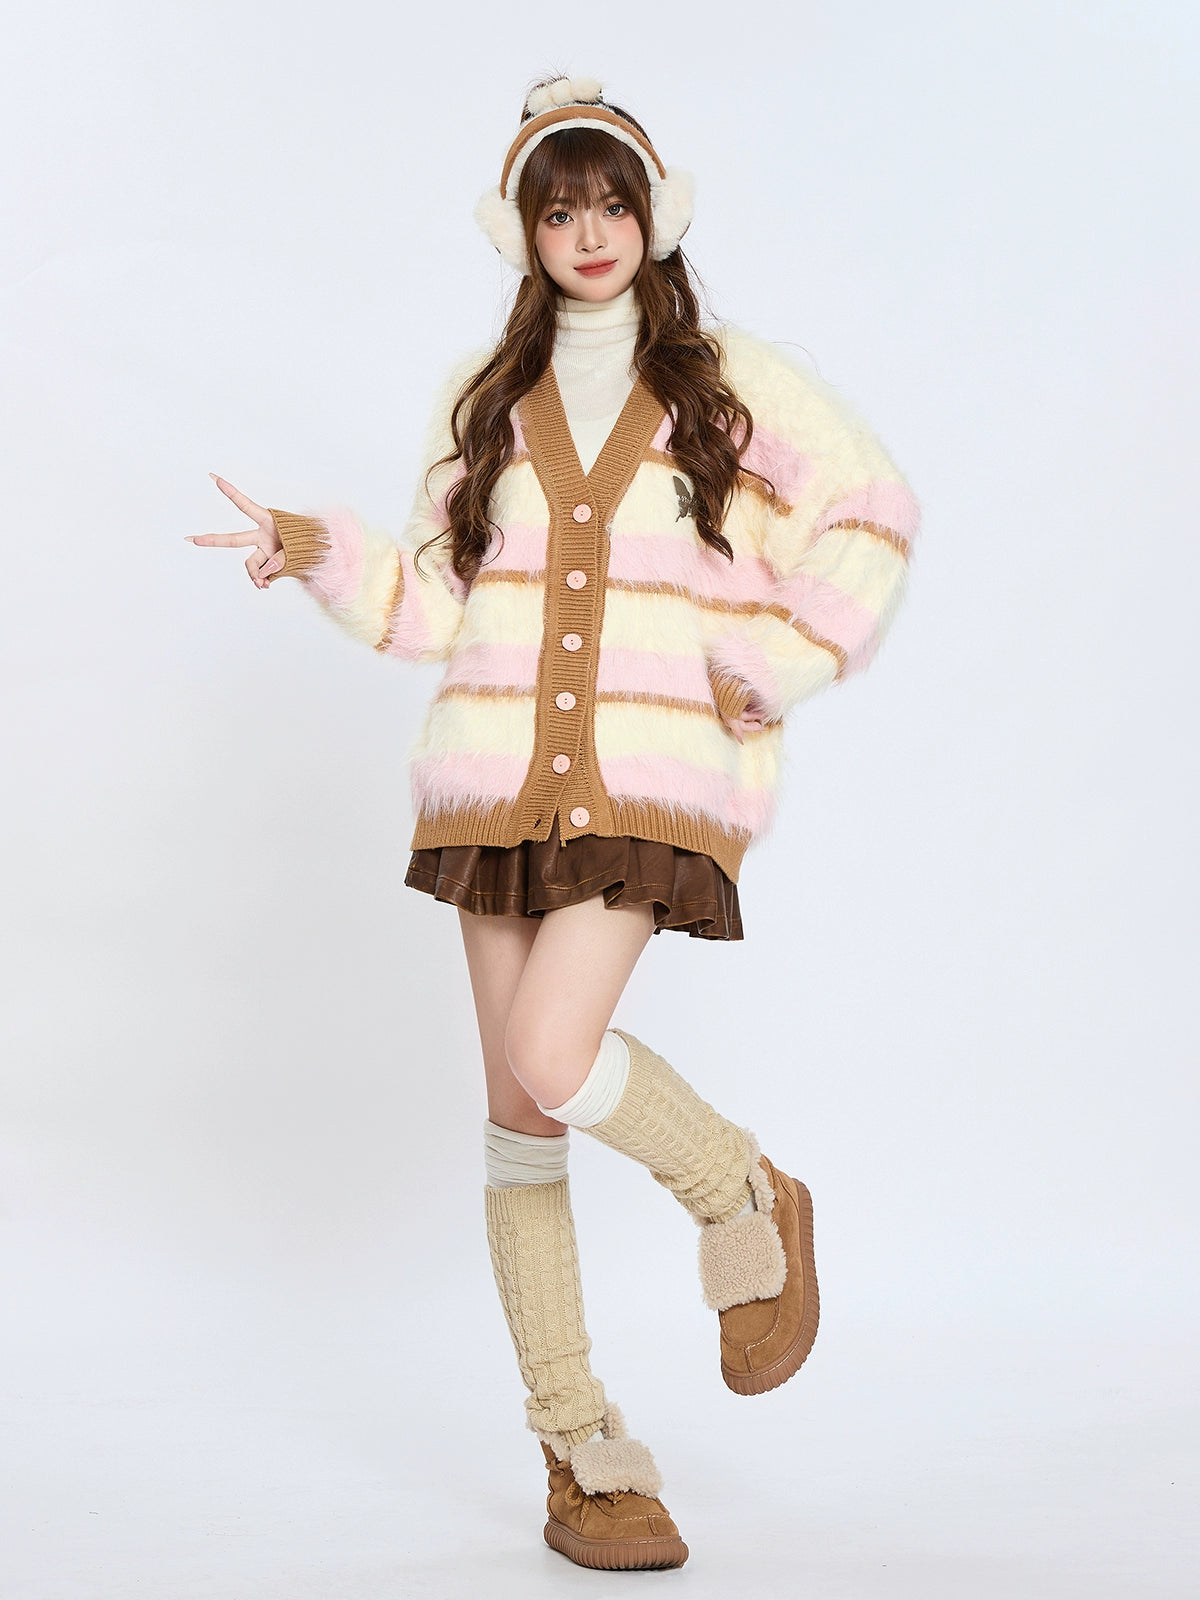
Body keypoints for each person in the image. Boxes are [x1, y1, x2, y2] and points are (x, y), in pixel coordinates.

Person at [188, 73, 920, 1572]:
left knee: (552, 1052)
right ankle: (581, 1449)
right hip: (491, 786)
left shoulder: (729, 383)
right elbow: (433, 604)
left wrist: (775, 664)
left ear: (654, 215)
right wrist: (313, 548)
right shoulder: (489, 396)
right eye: (559, 209)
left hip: (648, 775)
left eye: (613, 202)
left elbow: (870, 512)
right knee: (521, 1121)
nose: (590, 232)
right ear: (522, 232)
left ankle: (741, 1193)